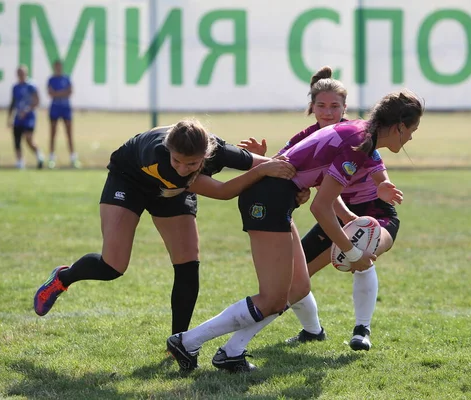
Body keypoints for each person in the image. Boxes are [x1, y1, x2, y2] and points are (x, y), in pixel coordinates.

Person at [167, 89, 424, 373]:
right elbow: (321, 208)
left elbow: (320, 185)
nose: (412, 137)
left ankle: (230, 352)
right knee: (273, 298)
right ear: (400, 126)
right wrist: (352, 252)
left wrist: (352, 215)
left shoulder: (360, 132)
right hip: (268, 199)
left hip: (276, 198)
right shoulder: (359, 142)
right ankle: (188, 341)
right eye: (413, 129)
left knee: (298, 288)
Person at [33, 119, 295, 339]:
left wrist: (281, 174)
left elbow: (276, 165)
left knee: (187, 264)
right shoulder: (161, 159)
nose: (182, 168)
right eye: (177, 160)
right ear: (169, 150)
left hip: (172, 192)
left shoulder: (219, 151)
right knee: (113, 266)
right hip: (130, 181)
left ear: (205, 155)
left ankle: (177, 343)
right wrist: (263, 170)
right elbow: (224, 191)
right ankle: (62, 278)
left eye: (191, 164)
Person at [238, 66, 404, 352]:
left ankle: (361, 329)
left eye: (335, 106)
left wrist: (385, 186)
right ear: (312, 107)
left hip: (371, 211)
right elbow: (284, 167)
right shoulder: (307, 136)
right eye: (321, 106)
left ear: (345, 108)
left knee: (363, 253)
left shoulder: (358, 135)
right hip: (333, 213)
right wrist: (262, 158)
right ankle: (312, 331)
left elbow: (380, 174)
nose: (328, 113)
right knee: (293, 278)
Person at [7, 65, 44, 169]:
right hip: (18, 117)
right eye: (19, 73)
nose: (20, 75)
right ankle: (20, 162)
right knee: (17, 140)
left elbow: (37, 101)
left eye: (22, 73)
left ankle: (39, 154)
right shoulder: (15, 87)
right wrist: (9, 118)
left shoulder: (31, 86)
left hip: (29, 117)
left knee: (28, 138)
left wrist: (27, 110)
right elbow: (12, 103)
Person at [47, 60, 79, 169]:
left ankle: (73, 158)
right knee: (53, 134)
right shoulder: (51, 79)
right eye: (56, 66)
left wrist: (58, 93)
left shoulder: (66, 78)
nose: (58, 68)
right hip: (55, 108)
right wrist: (62, 93)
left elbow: (69, 92)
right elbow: (51, 93)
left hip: (65, 109)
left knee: (69, 134)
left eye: (59, 66)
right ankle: (51, 158)